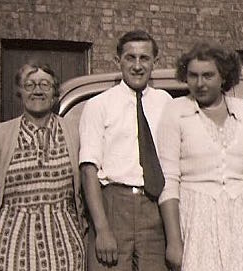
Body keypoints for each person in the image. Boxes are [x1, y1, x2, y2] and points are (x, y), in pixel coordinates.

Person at [157, 41, 243, 271]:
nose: (199, 83)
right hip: (197, 220)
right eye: (193, 76)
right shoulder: (176, 112)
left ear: (223, 76)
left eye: (208, 75)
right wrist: (174, 241)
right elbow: (169, 180)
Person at [0, 63, 87, 271]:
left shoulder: (74, 133)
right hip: (9, 244)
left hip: (64, 243)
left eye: (45, 84)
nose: (37, 91)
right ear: (20, 93)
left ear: (54, 93)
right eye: (29, 85)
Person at [79, 30, 172, 271]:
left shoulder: (166, 103)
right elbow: (88, 170)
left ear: (155, 63)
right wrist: (102, 229)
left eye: (145, 58)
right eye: (131, 57)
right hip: (113, 207)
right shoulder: (99, 105)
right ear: (118, 60)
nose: (138, 65)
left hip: (155, 209)